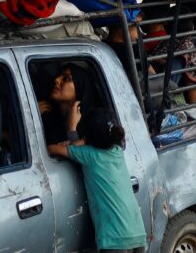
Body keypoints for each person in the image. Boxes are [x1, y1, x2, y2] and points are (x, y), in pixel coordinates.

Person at [47, 105, 147, 253]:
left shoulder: (89, 155)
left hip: (114, 240)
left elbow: (52, 148)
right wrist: (81, 140)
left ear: (87, 138)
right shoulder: (117, 151)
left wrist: (72, 127)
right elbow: (80, 144)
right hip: (138, 234)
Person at [39, 64, 96, 144]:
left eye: (66, 78)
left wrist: (72, 130)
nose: (57, 80)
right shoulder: (46, 113)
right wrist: (34, 117)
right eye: (58, 76)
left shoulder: (91, 126)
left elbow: (79, 155)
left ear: (79, 87)